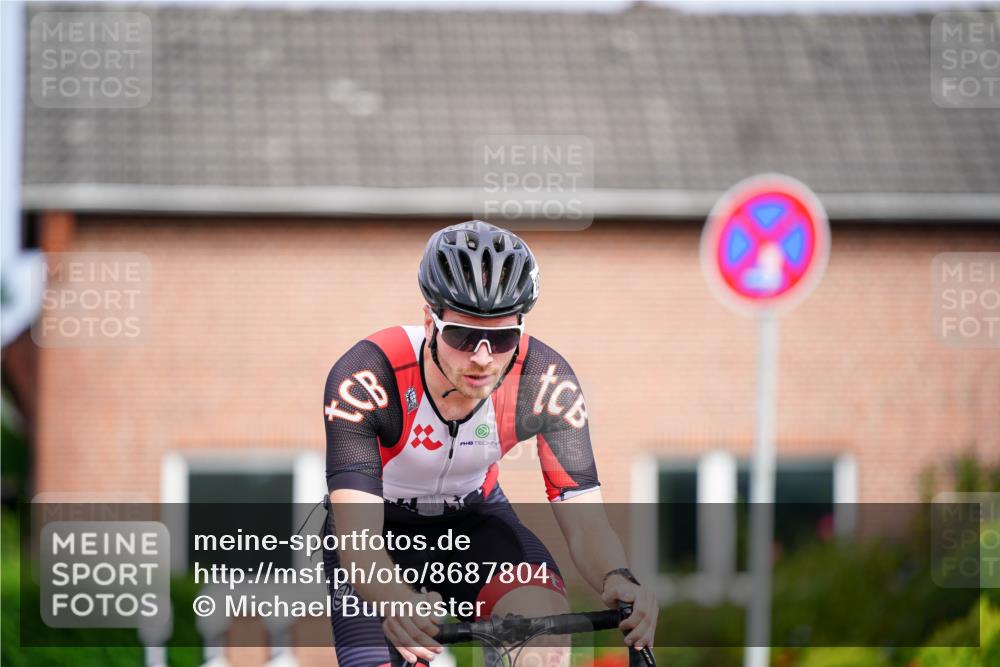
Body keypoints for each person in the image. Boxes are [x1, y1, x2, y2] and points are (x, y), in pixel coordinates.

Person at [323, 220, 657, 667]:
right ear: (429, 322)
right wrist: (395, 599)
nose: (482, 357)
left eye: (501, 338)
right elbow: (359, 541)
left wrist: (617, 577)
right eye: (462, 336)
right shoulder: (368, 378)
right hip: (380, 533)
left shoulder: (544, 382)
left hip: (476, 524)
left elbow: (587, 526)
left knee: (541, 638)